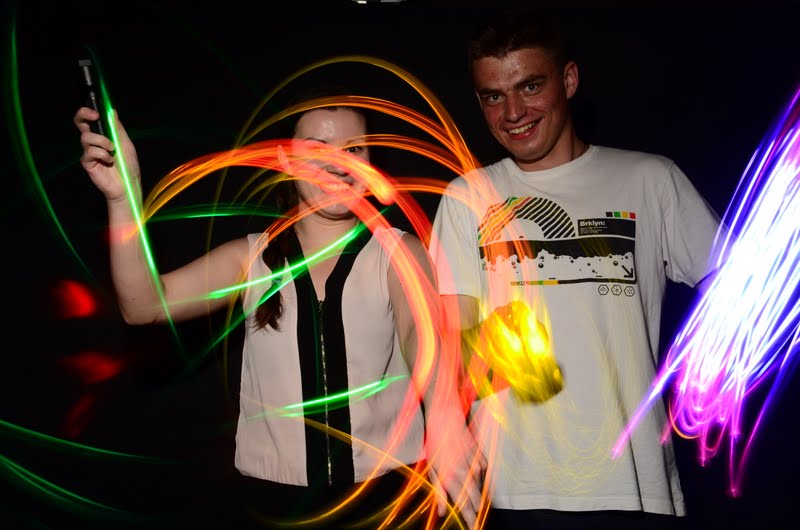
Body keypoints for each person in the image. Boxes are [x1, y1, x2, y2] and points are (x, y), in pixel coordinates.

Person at [73, 86, 484, 529]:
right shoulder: (250, 257)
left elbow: (422, 332)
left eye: (354, 149)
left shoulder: (399, 252)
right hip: (272, 505)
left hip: (384, 499)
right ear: (286, 160)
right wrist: (124, 199)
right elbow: (144, 306)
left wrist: (443, 413)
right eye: (318, 148)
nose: (339, 163)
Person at [429, 9, 722, 530]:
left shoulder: (650, 178)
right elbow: (450, 351)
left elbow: (736, 292)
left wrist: (706, 367)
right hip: (513, 489)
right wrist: (493, 349)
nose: (513, 112)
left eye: (530, 86)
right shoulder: (467, 198)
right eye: (493, 96)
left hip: (634, 484)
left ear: (568, 80)